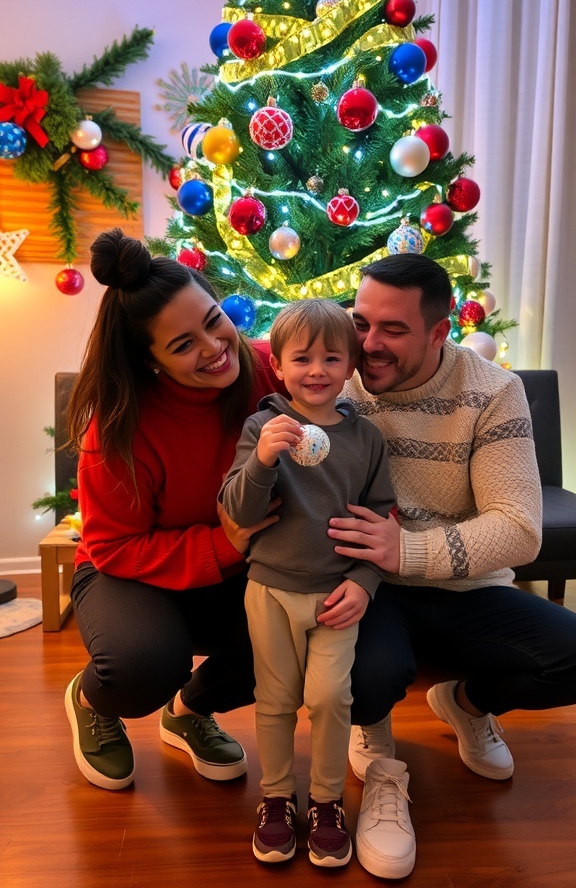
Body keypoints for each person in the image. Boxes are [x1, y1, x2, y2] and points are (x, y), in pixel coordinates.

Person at [324, 253, 576, 880]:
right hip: (373, 587)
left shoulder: (492, 391)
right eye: (361, 322)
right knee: (366, 677)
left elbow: (519, 529)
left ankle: (466, 702)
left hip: (466, 587)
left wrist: (408, 549)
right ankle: (375, 737)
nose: (368, 344)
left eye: (393, 329)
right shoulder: (339, 383)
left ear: (440, 331)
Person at [64, 227, 283, 791]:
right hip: (124, 570)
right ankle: (92, 700)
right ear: (151, 362)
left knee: (294, 635)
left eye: (214, 321)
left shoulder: (266, 369)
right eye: (183, 345)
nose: (214, 348)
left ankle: (187, 713)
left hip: (232, 566)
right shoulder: (118, 430)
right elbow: (112, 545)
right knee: (143, 666)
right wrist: (225, 543)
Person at [219, 299, 396, 868]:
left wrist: (366, 580)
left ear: (350, 368)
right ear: (280, 366)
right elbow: (239, 510)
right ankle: (275, 798)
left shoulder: (366, 439)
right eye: (302, 358)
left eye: (331, 357)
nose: (316, 369)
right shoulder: (262, 426)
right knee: (273, 701)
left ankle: (326, 802)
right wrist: (264, 458)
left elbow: (383, 518)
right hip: (269, 590)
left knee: (328, 698)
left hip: (337, 597)